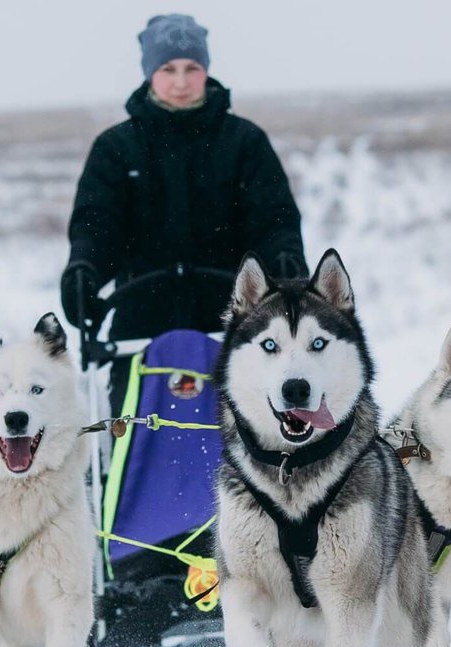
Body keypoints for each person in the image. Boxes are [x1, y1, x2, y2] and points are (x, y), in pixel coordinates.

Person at [60, 13, 307, 386]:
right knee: (136, 437)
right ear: (149, 72)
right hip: (140, 324)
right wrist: (83, 272)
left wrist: (286, 265)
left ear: (205, 69)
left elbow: (274, 220)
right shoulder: (116, 148)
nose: (180, 81)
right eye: (168, 68)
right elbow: (96, 226)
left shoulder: (244, 142)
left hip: (234, 322)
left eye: (191, 67)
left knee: (242, 439)